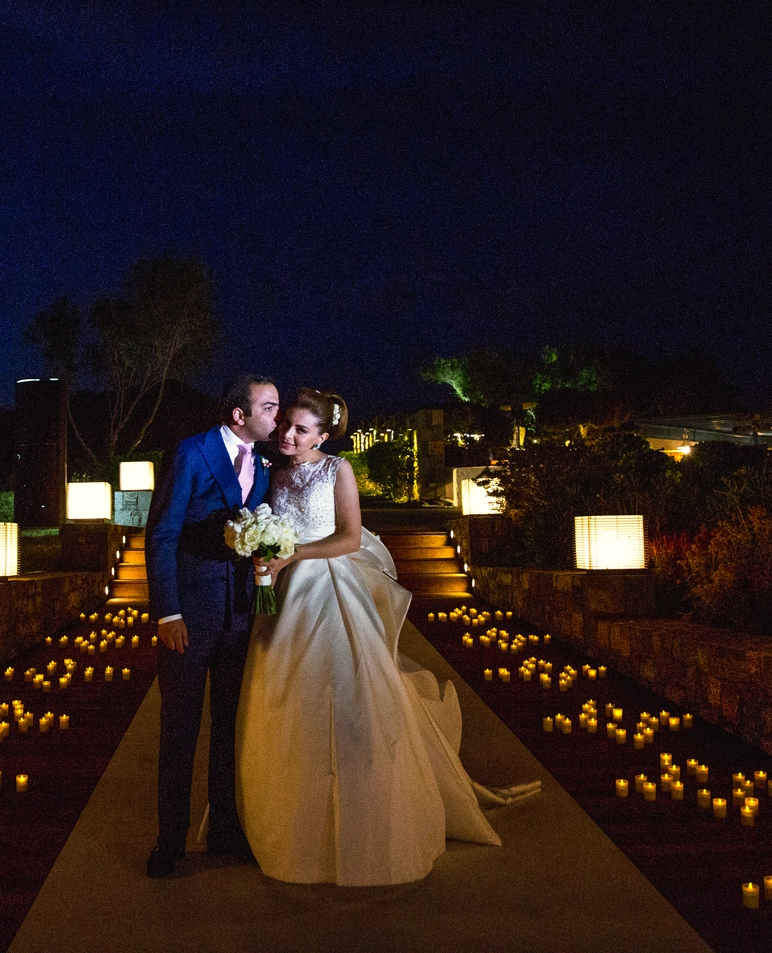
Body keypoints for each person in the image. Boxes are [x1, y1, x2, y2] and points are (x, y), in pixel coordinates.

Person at [235, 388, 539, 885]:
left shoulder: (338, 471)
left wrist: (292, 555)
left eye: (302, 429)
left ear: (325, 435)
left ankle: (364, 815)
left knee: (347, 696)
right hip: (282, 597)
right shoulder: (275, 471)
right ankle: (289, 815)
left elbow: (350, 537)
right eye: (287, 424)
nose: (289, 434)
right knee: (282, 699)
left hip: (327, 587)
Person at [143, 375, 279, 878]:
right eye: (268, 407)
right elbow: (161, 534)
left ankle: (223, 828)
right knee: (180, 729)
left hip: (239, 617)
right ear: (239, 414)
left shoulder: (263, 464)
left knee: (229, 729)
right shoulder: (192, 453)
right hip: (189, 618)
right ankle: (170, 842)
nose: (276, 416)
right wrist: (168, 612)